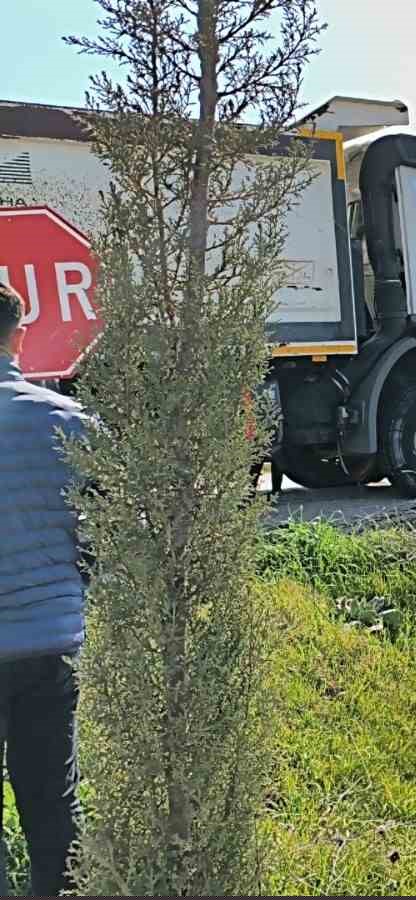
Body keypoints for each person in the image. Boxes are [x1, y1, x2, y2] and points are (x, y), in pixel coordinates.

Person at [1, 281, 90, 897]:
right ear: (18, 336)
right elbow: (113, 528)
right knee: (52, 805)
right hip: (47, 643)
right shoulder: (67, 422)